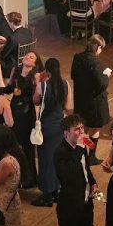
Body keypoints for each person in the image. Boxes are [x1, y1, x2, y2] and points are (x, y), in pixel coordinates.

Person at [32, 57, 69, 207]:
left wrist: (36, 83)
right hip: (60, 126)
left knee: (45, 160)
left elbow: (35, 101)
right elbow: (68, 106)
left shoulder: (43, 86)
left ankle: (47, 194)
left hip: (46, 127)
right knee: (56, 159)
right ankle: (56, 191)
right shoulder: (66, 84)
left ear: (46, 71)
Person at [6, 49, 40, 190]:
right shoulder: (16, 70)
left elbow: (36, 97)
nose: (28, 57)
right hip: (14, 109)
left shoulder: (36, 76)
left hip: (26, 112)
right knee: (15, 144)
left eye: (32, 57)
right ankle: (17, 174)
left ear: (35, 63)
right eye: (27, 55)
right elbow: (9, 88)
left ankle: (30, 177)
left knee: (27, 146)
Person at [71, 34, 112, 139]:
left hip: (81, 99)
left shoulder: (77, 57)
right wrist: (106, 76)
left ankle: (84, 151)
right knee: (94, 130)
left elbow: (73, 75)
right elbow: (101, 84)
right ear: (98, 47)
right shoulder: (95, 63)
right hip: (94, 104)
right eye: (101, 48)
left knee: (83, 129)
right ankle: (91, 153)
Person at [0, 11, 34, 76]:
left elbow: (4, 55)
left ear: (12, 23)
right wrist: (7, 41)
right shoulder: (28, 31)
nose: (7, 23)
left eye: (8, 22)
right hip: (25, 58)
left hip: (14, 64)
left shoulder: (13, 38)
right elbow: (18, 41)